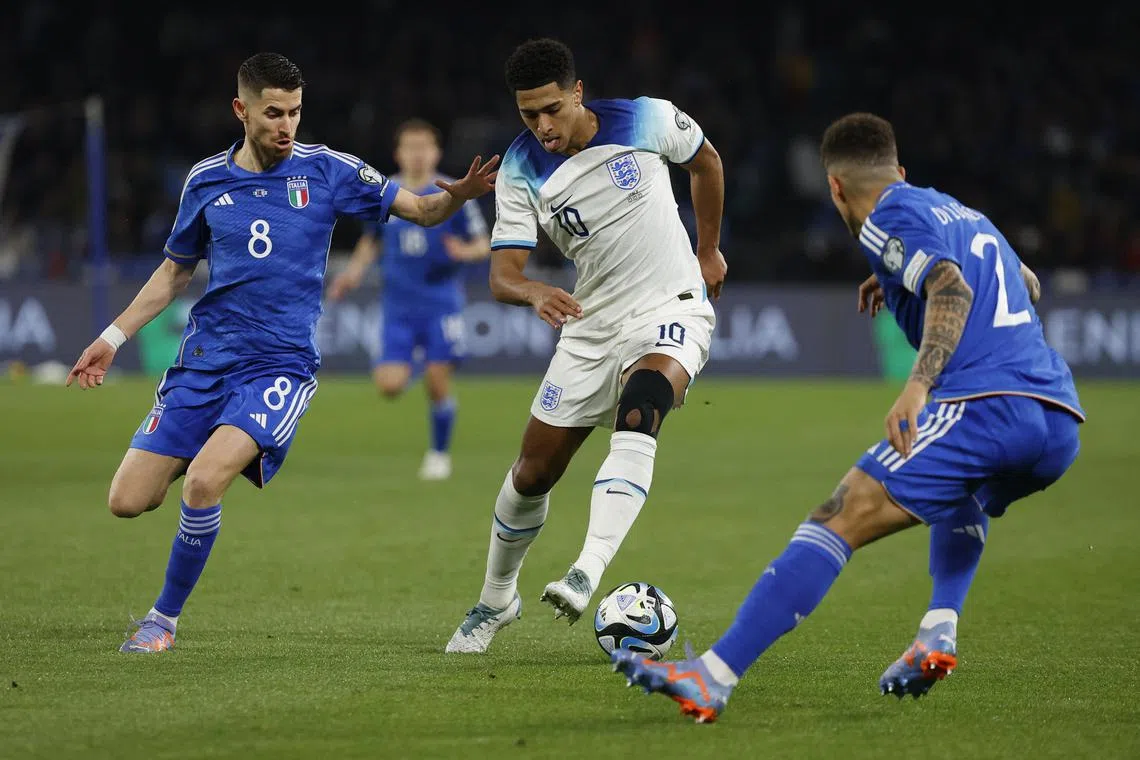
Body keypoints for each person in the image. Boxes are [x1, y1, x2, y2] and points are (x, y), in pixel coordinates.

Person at [610, 111, 1084, 722]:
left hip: (986, 407)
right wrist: (897, 273)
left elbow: (952, 289)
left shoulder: (887, 215)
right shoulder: (962, 213)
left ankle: (712, 676)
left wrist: (918, 386)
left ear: (834, 187)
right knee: (957, 485)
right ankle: (938, 628)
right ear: (900, 170)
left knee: (837, 516)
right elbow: (1027, 283)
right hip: (1057, 418)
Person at [65, 52, 497, 653]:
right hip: (204, 364)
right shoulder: (205, 181)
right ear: (241, 110)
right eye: (273, 113)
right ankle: (201, 446)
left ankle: (162, 621)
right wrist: (111, 339)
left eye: (294, 112)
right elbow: (174, 273)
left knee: (205, 484)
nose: (286, 125)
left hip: (279, 367)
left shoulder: (328, 170)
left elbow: (423, 210)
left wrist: (459, 197)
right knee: (127, 501)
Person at [445, 38, 727, 654]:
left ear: (577, 93)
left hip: (671, 305)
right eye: (528, 115)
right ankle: (496, 599)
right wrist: (533, 291)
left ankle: (586, 569)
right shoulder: (519, 168)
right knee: (532, 474)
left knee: (643, 405)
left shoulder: (647, 118)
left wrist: (707, 249)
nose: (543, 126)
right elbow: (502, 275)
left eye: (552, 109)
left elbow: (706, 163)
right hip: (590, 323)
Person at [328, 118, 491, 480]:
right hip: (398, 307)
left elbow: (483, 244)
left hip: (441, 304)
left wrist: (464, 252)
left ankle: (439, 455)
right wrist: (351, 275)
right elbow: (371, 241)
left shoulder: (454, 193)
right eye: (410, 147)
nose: (417, 155)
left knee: (437, 382)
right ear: (398, 153)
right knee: (389, 386)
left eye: (424, 147)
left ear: (436, 152)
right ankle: (420, 358)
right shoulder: (385, 192)